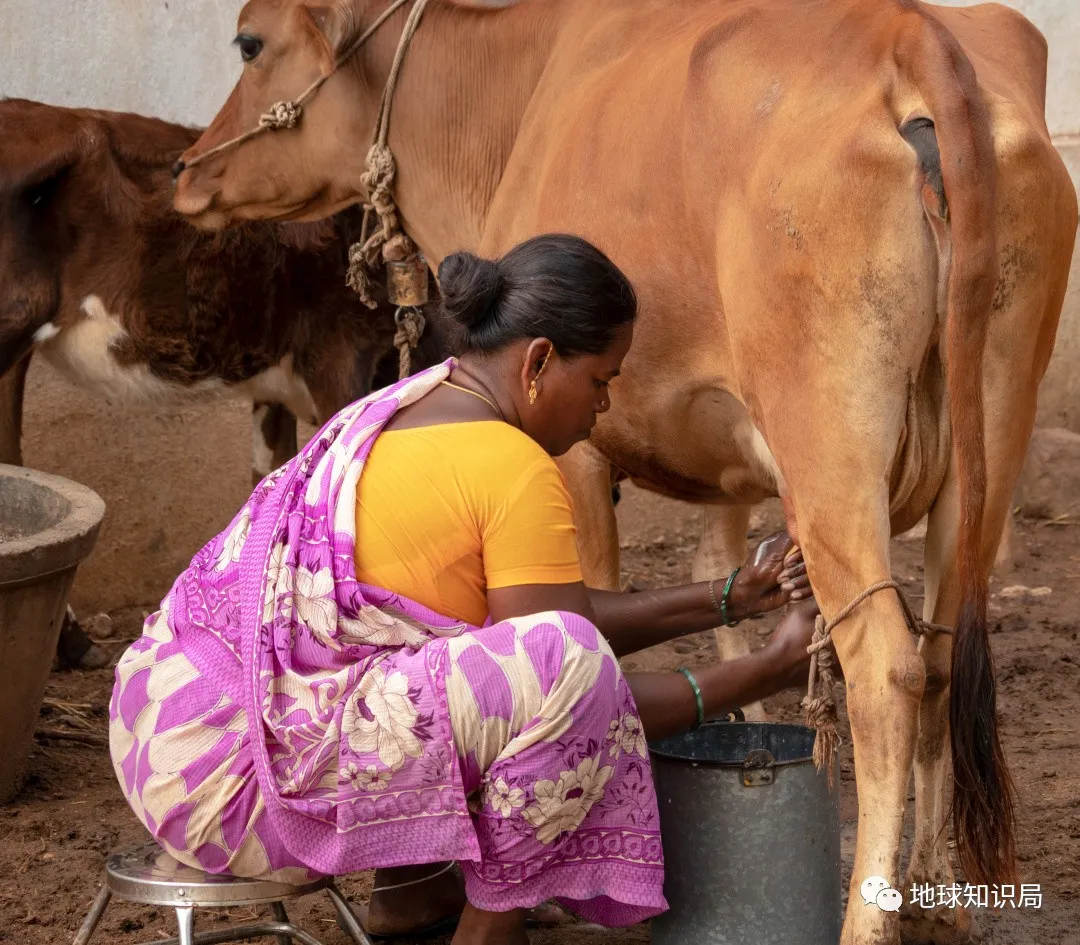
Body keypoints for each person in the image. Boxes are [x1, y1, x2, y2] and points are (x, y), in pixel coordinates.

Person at [110, 233, 820, 945]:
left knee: (461, 657)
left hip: (160, 729)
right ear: (539, 361)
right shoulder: (512, 464)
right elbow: (577, 682)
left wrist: (729, 596)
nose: (601, 408)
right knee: (557, 674)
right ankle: (486, 932)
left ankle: (414, 895)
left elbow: (550, 617)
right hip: (236, 789)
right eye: (602, 380)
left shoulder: (402, 403)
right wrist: (762, 670)